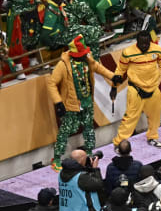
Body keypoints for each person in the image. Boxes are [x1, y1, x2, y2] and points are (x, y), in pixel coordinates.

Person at [47, 36, 115, 169]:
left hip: (87, 102)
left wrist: (113, 76)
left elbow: (98, 67)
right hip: (71, 105)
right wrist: (58, 102)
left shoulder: (87, 58)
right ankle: (56, 159)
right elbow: (51, 83)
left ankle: (89, 154)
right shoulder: (63, 65)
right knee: (65, 131)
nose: (83, 56)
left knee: (89, 129)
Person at [112, 32, 161, 148]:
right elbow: (120, 70)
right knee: (130, 117)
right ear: (137, 42)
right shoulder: (128, 53)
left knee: (155, 116)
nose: (144, 46)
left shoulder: (157, 50)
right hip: (136, 89)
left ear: (150, 41)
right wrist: (114, 87)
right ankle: (119, 143)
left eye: (146, 43)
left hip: (153, 88)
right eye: (141, 43)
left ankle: (152, 137)